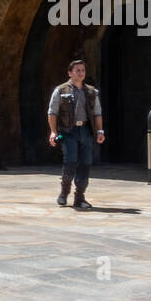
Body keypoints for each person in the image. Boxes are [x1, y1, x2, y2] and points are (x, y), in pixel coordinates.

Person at [47, 59, 105, 209]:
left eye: (83, 70)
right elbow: (52, 112)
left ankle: (79, 197)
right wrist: (53, 132)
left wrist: (100, 131)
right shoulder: (61, 90)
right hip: (68, 131)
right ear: (70, 73)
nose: (81, 73)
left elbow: (97, 113)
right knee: (70, 162)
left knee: (86, 163)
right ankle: (64, 192)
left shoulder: (92, 92)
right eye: (77, 70)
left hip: (86, 131)